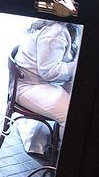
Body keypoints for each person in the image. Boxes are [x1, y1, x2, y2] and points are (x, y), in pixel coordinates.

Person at [13, 19, 77, 154]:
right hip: (29, 86)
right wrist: (77, 65)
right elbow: (48, 72)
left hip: (33, 82)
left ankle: (52, 147)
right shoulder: (55, 33)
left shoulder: (52, 25)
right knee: (72, 115)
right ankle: (62, 162)